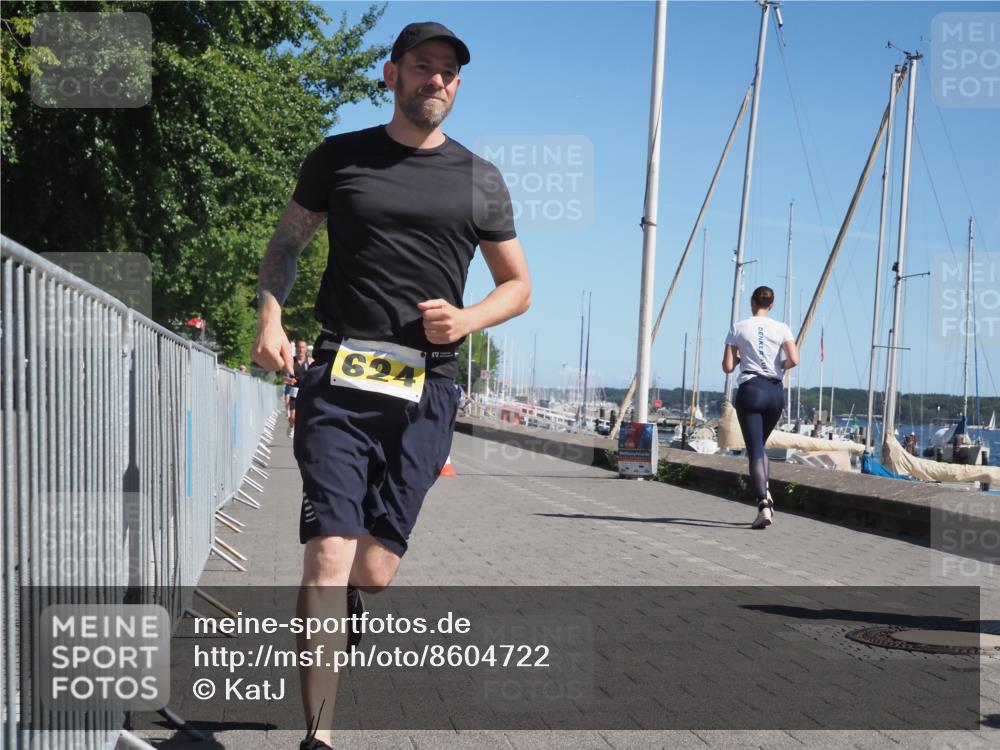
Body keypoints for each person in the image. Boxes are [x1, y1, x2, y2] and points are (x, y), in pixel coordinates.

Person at [250, 21, 530, 750]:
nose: (434, 79)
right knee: (328, 552)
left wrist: (465, 320)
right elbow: (286, 244)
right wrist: (271, 318)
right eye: (422, 66)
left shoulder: (479, 178)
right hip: (338, 380)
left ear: (457, 87)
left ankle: (353, 601)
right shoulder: (340, 159)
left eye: (447, 72)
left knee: (371, 571)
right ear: (391, 74)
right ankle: (320, 736)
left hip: (426, 391)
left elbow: (518, 286)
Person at [721, 286, 799, 529]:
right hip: (775, 392)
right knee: (760, 447)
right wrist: (780, 364)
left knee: (754, 450)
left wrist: (742, 356)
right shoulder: (782, 327)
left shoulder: (739, 327)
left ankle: (763, 504)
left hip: (751, 389)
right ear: (771, 305)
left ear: (752, 302)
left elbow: (727, 366)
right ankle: (766, 493)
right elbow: (794, 360)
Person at [285, 340, 314, 438]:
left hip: (306, 392)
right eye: (299, 347)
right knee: (293, 417)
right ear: (296, 348)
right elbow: (282, 377)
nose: (301, 349)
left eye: (303, 347)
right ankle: (291, 425)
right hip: (294, 392)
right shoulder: (291, 361)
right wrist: (289, 380)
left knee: (306, 416)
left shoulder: (311, 361)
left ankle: (303, 435)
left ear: (306, 349)